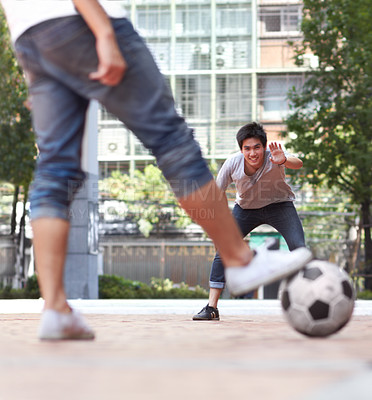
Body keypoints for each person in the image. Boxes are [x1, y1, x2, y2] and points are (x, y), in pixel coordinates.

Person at [0, 1, 312, 340]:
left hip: (30, 36)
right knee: (171, 139)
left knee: (54, 165)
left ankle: (56, 308)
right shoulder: (234, 164)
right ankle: (240, 260)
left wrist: (34, 61)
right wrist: (103, 31)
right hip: (81, 20)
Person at [193, 122, 307, 321]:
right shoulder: (232, 163)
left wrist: (284, 160)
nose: (252, 153)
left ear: (263, 147)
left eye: (256, 147)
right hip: (246, 210)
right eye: (247, 148)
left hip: (280, 206)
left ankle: (306, 301)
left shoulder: (275, 154)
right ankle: (212, 307)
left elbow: (298, 163)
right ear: (241, 149)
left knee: (299, 249)